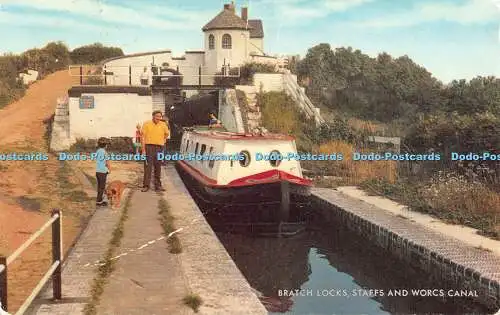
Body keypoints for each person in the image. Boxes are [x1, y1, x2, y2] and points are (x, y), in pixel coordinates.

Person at [141, 110, 170, 192]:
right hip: (149, 147)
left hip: (159, 148)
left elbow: (166, 135)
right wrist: (143, 150)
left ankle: (158, 186)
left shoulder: (163, 124)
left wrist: (162, 142)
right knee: (148, 167)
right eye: (157, 116)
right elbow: (142, 137)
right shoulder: (146, 124)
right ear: (153, 116)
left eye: (160, 116)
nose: (158, 118)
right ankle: (146, 185)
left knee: (158, 167)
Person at [95, 137, 111, 206]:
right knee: (102, 187)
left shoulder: (97, 151)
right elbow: (107, 162)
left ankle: (99, 199)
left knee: (99, 186)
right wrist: (109, 169)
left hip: (98, 172)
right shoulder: (105, 152)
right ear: (105, 145)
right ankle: (99, 201)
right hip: (103, 172)